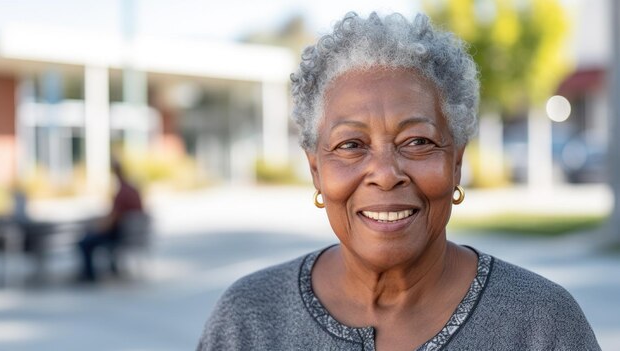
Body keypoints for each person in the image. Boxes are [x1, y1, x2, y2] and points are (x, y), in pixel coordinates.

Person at [199, 12, 600, 350]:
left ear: (456, 162)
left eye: (418, 141)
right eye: (351, 144)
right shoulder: (248, 320)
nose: (386, 174)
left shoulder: (541, 325)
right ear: (316, 170)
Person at [77, 160, 143, 282]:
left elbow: (113, 219)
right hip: (130, 233)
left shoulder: (122, 193)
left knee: (85, 242)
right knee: (90, 238)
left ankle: (89, 275)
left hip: (121, 235)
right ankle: (109, 268)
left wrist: (100, 227)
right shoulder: (133, 190)